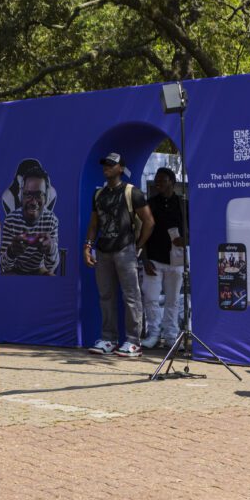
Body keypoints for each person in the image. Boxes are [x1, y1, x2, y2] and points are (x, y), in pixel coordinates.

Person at [84, 152, 155, 357]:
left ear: (121, 169)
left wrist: (137, 246)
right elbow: (94, 224)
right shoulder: (99, 194)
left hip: (125, 249)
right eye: (105, 164)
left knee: (131, 296)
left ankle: (134, 342)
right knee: (106, 296)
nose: (107, 167)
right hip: (104, 251)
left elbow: (149, 222)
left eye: (111, 164)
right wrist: (87, 246)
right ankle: (109, 339)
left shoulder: (132, 192)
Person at [140, 167, 187, 349]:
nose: (158, 182)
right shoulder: (149, 204)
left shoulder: (183, 204)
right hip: (154, 259)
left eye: (162, 179)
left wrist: (185, 239)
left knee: (173, 300)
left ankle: (171, 335)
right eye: (156, 179)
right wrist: (144, 259)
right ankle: (153, 334)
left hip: (176, 260)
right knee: (151, 298)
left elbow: (193, 231)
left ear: (172, 182)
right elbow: (141, 232)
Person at [0, 165, 60, 275]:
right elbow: (4, 266)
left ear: (46, 198)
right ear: (21, 196)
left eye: (38, 195)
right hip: (15, 271)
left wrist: (50, 248)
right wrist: (12, 251)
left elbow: (52, 266)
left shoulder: (51, 221)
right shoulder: (10, 220)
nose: (33, 202)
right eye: (28, 195)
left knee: (51, 276)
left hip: (40, 270)